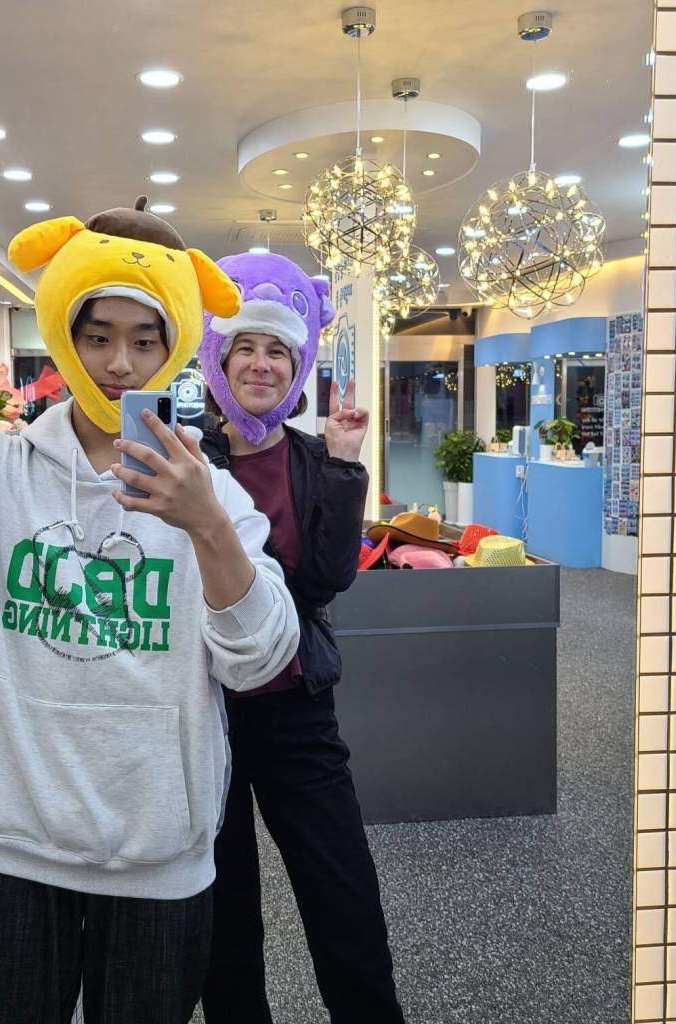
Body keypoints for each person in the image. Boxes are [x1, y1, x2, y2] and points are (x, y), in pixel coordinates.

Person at [0, 78, 299, 1024]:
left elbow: (261, 657)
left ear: (173, 349)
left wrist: (202, 525)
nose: (119, 363)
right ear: (66, 341)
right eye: (97, 336)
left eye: (144, 340)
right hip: (9, 843)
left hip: (159, 856)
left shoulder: (211, 494)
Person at [196, 252, 405, 1023]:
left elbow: (325, 581)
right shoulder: (190, 458)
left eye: (278, 351)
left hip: (296, 705)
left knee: (345, 901)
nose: (261, 364)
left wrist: (346, 466)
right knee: (224, 920)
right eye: (245, 347)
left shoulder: (314, 458)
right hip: (205, 711)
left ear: (298, 366)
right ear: (218, 360)